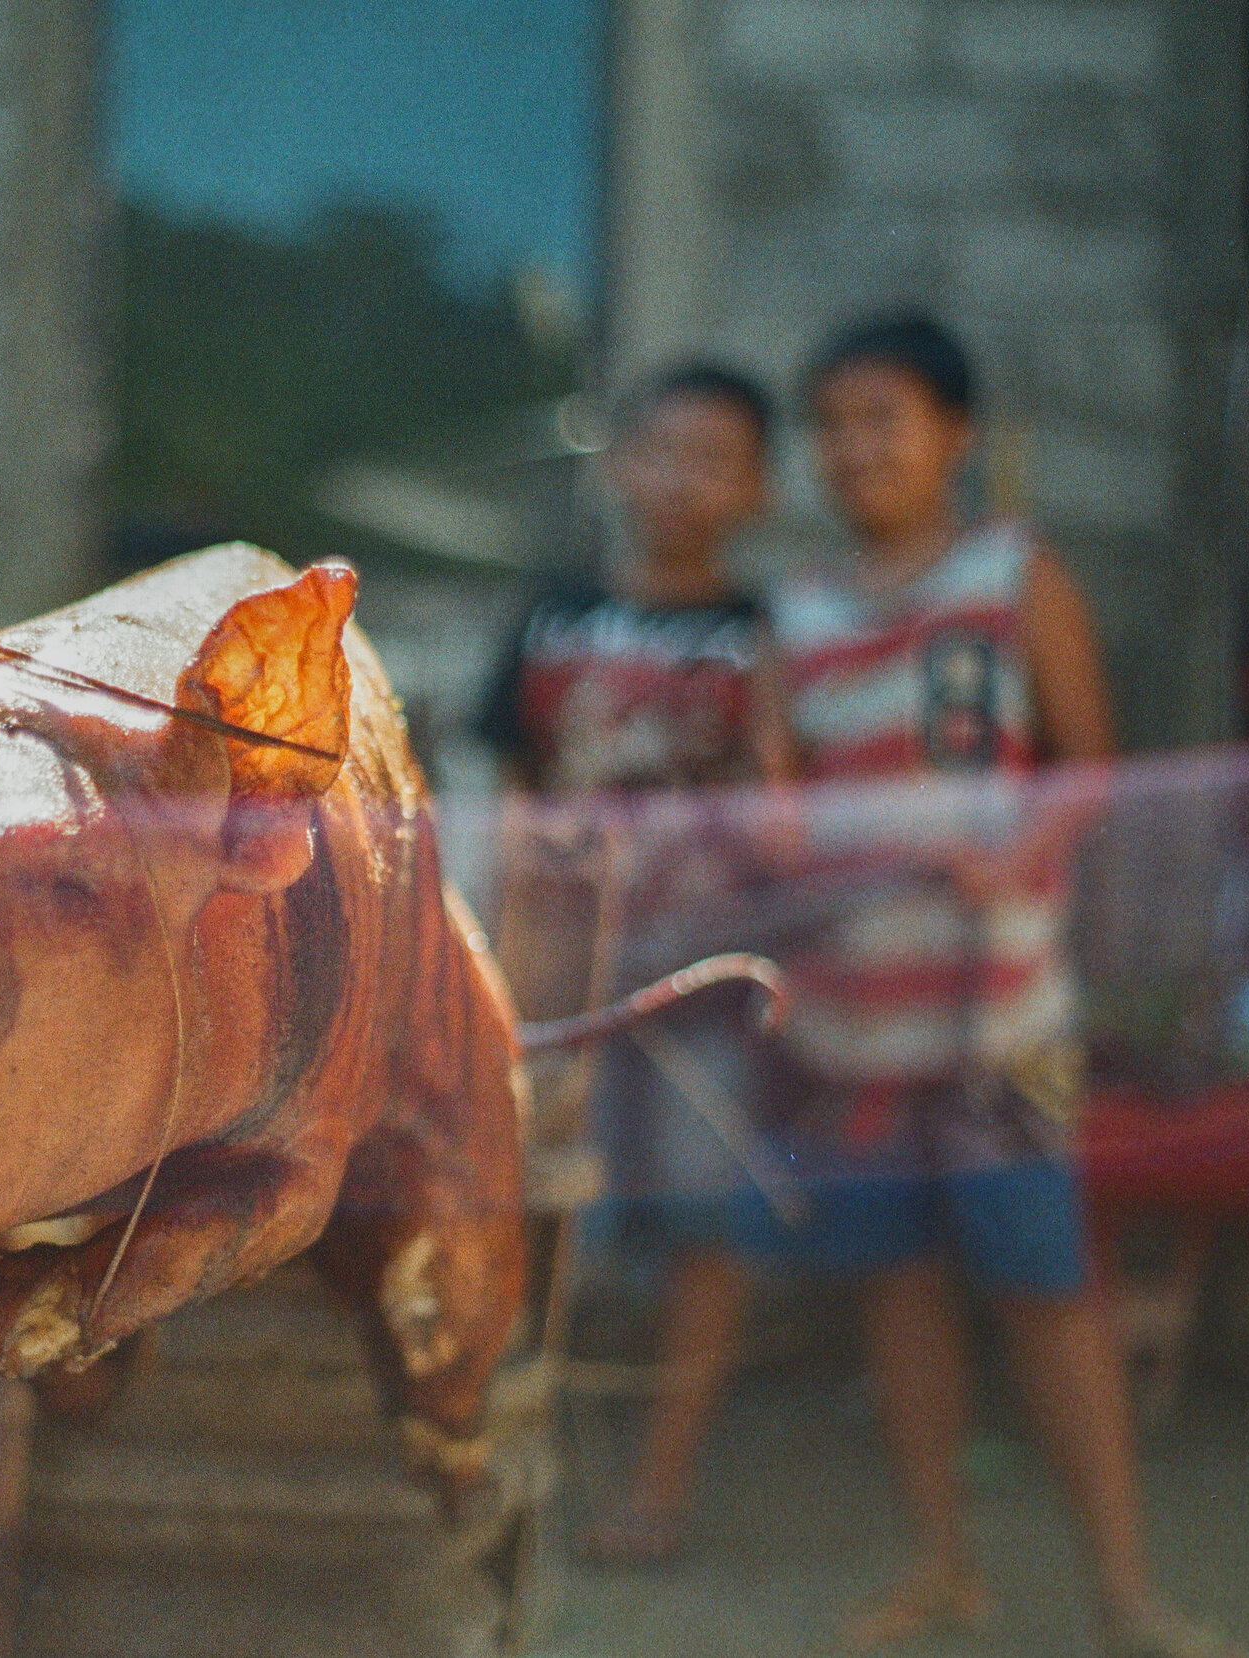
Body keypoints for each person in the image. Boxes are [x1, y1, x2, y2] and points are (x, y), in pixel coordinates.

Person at [754, 312, 1249, 1657]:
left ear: (955, 439)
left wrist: (1022, 845)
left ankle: (1124, 1591)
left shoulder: (1015, 573)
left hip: (1003, 1017)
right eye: (834, 424)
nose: (856, 449)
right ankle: (942, 1566)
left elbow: (1089, 765)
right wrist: (779, 836)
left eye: (885, 419)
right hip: (858, 1026)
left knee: (1049, 1291)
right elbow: (776, 801)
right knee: (895, 1291)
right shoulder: (791, 611)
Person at [476, 362, 788, 1561]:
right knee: (541, 1212)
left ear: (755, 486)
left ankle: (658, 1484)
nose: (681, 478)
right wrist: (515, 940)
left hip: (708, 972)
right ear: (617, 465)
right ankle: (516, 1463)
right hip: (562, 978)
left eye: (715, 456)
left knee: (706, 1226)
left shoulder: (759, 634)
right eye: (661, 450)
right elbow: (511, 781)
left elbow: (781, 802)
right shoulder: (551, 613)